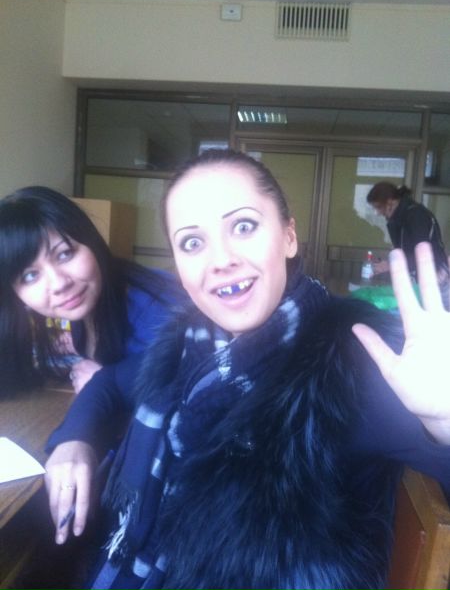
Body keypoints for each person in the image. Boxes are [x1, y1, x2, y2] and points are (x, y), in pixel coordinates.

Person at [46, 150, 450, 590]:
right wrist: (72, 440)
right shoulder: (186, 344)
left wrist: (443, 420)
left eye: (243, 226)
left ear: (289, 237)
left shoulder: (351, 360)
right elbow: (110, 382)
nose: (221, 260)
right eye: (192, 243)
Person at [0, 185, 182, 396]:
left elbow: (194, 390)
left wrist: (109, 386)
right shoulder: (87, 302)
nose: (59, 284)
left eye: (65, 254)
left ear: (92, 243)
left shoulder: (157, 314)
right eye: (30, 276)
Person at [366, 181, 449, 283]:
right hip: (419, 275)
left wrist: (389, 265)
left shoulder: (416, 215)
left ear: (390, 202)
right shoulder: (399, 218)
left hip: (434, 276)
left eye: (379, 207)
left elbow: (422, 254)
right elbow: (405, 252)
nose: (378, 213)